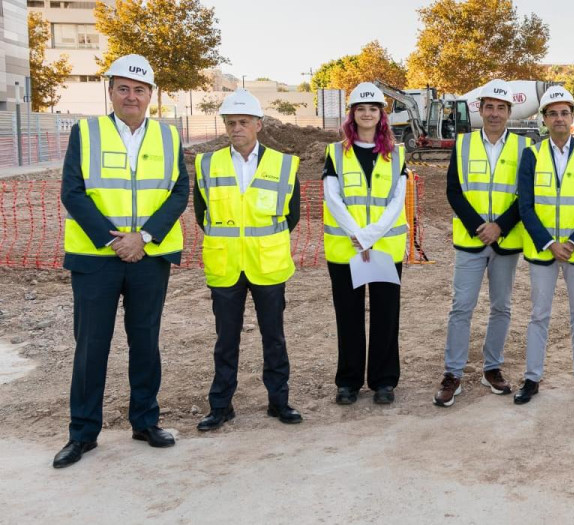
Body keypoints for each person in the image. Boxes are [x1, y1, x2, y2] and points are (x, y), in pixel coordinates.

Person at [53, 54, 189, 468]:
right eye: (124, 88)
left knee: (145, 342)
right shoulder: (87, 131)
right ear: (111, 91)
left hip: (149, 256)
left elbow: (179, 192)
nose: (132, 96)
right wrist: (115, 241)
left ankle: (145, 421)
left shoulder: (168, 136)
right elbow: (72, 191)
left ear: (151, 95)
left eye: (140, 89)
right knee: (91, 345)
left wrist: (144, 237)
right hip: (97, 258)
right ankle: (82, 433)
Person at [193, 89, 302, 430]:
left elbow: (292, 214)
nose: (236, 128)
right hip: (226, 265)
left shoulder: (283, 164)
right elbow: (201, 213)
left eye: (242, 122)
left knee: (274, 338)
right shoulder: (207, 164)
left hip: (267, 265)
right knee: (226, 340)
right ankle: (221, 406)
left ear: (258, 124)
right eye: (230, 123)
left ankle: (278, 402)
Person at [436, 79, 530, 406]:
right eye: (489, 106)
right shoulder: (463, 145)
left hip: (505, 242)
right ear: (480, 108)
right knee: (461, 307)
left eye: (500, 108)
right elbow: (453, 191)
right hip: (471, 241)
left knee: (501, 307)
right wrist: (480, 226)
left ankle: (492, 367)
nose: (494, 113)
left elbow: (525, 196)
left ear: (508, 112)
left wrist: (500, 226)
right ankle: (453, 373)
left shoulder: (523, 148)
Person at [514, 85, 574, 405]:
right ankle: (531, 377)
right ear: (544, 119)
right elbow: (525, 205)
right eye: (552, 113)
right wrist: (551, 243)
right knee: (539, 315)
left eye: (565, 113)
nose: (559, 119)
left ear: (572, 117)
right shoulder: (532, 154)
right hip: (544, 250)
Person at [323, 82, 408, 406]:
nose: (367, 113)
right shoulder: (335, 153)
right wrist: (356, 234)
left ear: (381, 115)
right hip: (346, 250)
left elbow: (397, 200)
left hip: (384, 248)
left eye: (373, 108)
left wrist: (370, 235)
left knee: (386, 316)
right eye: (361, 108)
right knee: (349, 316)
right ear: (352, 115)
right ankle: (348, 382)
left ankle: (384, 381)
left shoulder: (396, 154)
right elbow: (333, 198)